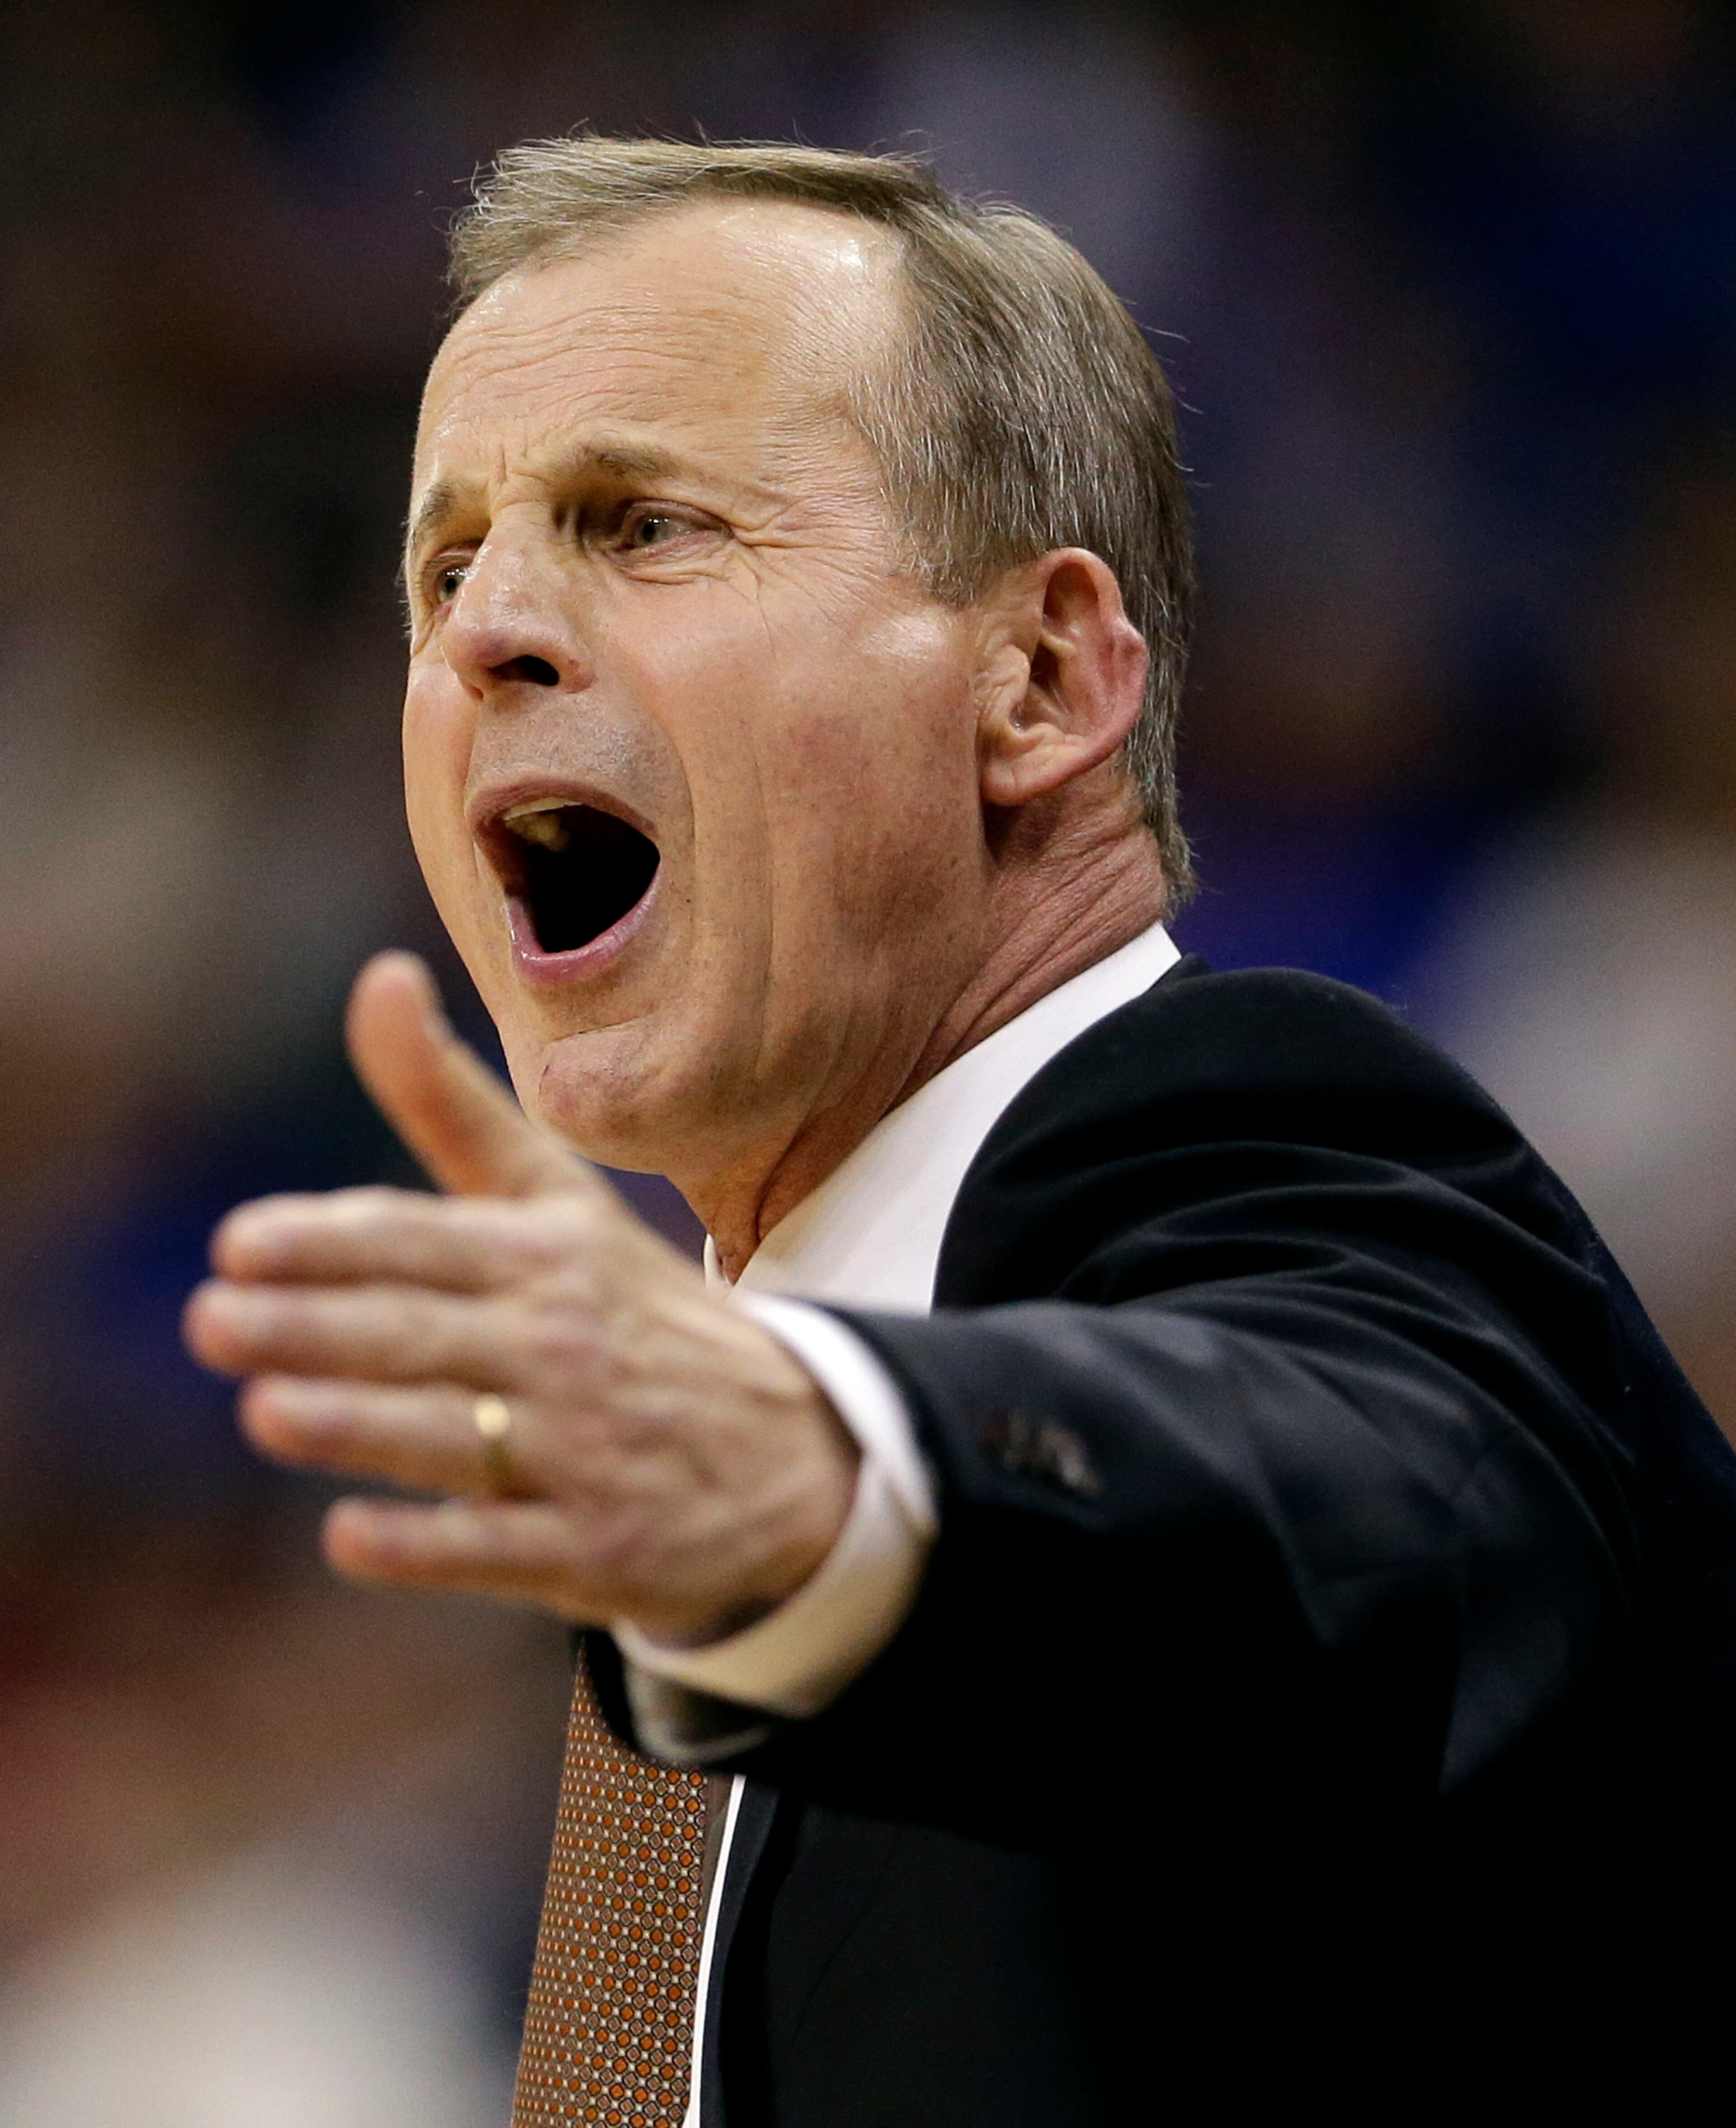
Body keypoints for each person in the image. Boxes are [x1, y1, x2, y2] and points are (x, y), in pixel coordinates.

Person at [184, 139, 1736, 2121]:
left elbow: (1361, 1509)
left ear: (1041, 677)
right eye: (444, 563)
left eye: (642, 523)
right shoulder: (726, 1518)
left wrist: (849, 1471)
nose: (484, 631)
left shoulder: (1270, 1146)